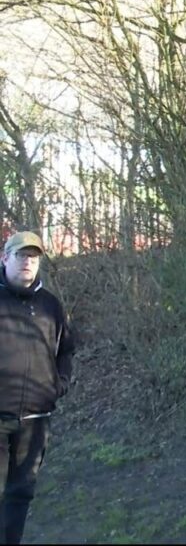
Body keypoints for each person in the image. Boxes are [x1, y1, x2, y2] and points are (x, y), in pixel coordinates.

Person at [0, 231, 75, 545]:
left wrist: (59, 385)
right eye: (21, 255)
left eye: (33, 257)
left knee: (20, 495)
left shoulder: (50, 305)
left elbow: (66, 350)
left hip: (36, 418)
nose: (27, 262)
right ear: (5, 258)